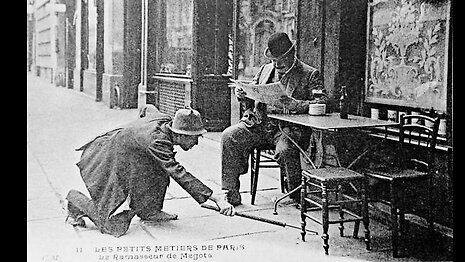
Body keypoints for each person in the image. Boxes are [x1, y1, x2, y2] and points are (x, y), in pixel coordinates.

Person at [65, 107, 235, 237]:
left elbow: (147, 108)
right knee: (112, 226)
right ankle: (74, 199)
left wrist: (136, 136)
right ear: (181, 135)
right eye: (195, 137)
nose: (197, 142)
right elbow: (179, 173)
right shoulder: (157, 142)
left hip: (128, 156)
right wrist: (216, 198)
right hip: (107, 157)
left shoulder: (166, 120)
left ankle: (149, 210)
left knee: (159, 167)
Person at [221, 32, 327, 206]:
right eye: (274, 61)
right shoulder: (265, 70)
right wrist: (242, 94)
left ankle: (294, 193)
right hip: (258, 124)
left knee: (285, 149)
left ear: (292, 54)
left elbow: (323, 102)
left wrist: (297, 105)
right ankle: (231, 191)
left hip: (287, 129)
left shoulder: (309, 74)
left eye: (281, 61)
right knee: (229, 136)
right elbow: (252, 91)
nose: (277, 65)